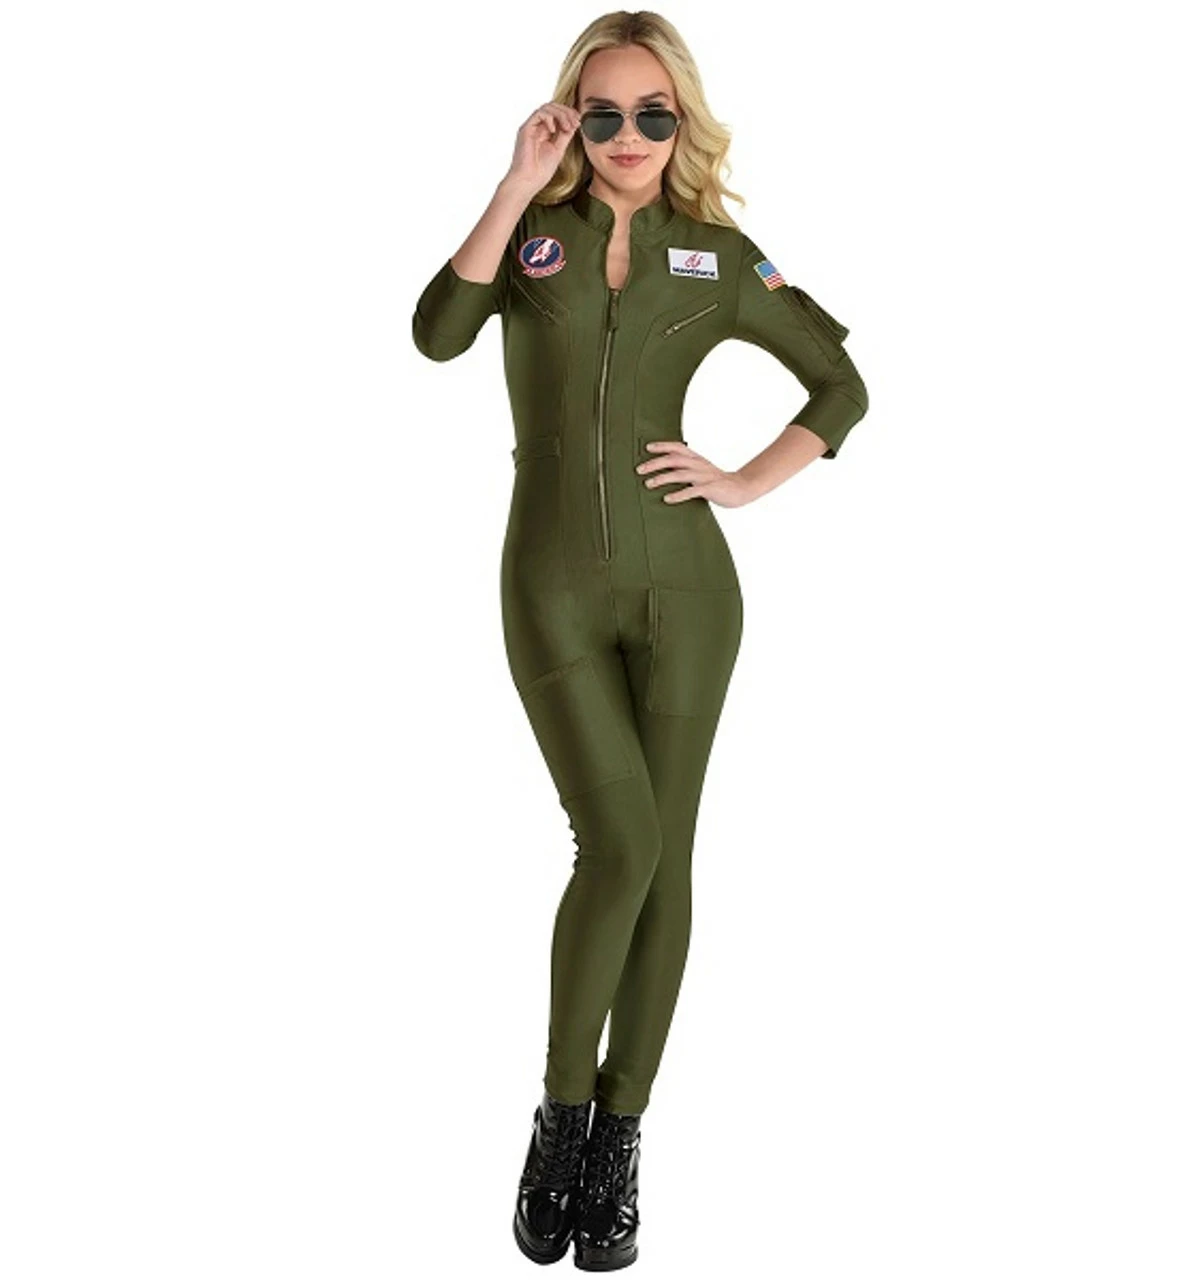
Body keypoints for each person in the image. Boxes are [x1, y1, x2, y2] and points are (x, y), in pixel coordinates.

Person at [410, 11, 869, 1271]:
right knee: (617, 843)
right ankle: (558, 1120)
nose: (627, 136)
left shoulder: (716, 257)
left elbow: (841, 386)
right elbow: (436, 333)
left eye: (652, 114)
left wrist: (743, 479)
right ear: (570, 117)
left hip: (689, 596)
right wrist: (513, 182)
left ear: (682, 123)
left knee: (665, 861)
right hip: (550, 588)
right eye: (603, 112)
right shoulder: (536, 237)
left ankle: (618, 1138)